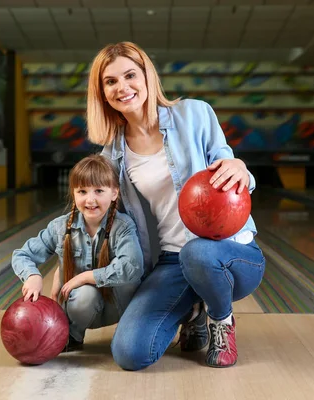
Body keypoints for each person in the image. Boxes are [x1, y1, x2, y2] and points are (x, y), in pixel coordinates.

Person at [86, 41, 266, 370]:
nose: (122, 87)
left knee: (197, 252)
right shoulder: (110, 154)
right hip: (171, 261)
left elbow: (232, 172)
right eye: (110, 81)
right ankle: (193, 310)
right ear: (101, 92)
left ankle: (220, 320)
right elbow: (103, 220)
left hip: (227, 252)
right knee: (129, 352)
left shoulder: (194, 114)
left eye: (130, 75)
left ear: (147, 76)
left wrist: (241, 169)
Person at [11, 154, 144, 352]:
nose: (90, 199)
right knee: (84, 296)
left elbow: (133, 266)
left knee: (130, 350)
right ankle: (72, 335)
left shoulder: (123, 226)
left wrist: (86, 277)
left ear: (115, 192)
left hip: (119, 307)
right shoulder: (60, 227)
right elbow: (21, 255)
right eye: (82, 191)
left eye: (99, 190)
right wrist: (32, 276)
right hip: (80, 306)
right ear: (73, 193)